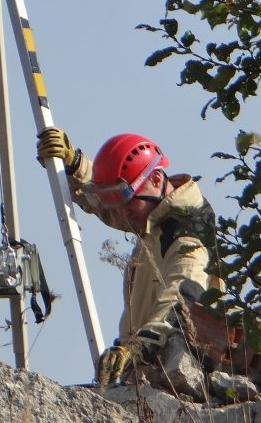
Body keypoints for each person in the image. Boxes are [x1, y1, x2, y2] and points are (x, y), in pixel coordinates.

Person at [36, 127, 219, 386]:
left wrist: (137, 348)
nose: (122, 215)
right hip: (147, 376)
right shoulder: (155, 213)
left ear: (156, 179)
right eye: (116, 203)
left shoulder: (186, 238)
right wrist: (74, 166)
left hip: (177, 382)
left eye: (126, 201)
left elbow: (180, 304)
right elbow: (107, 204)